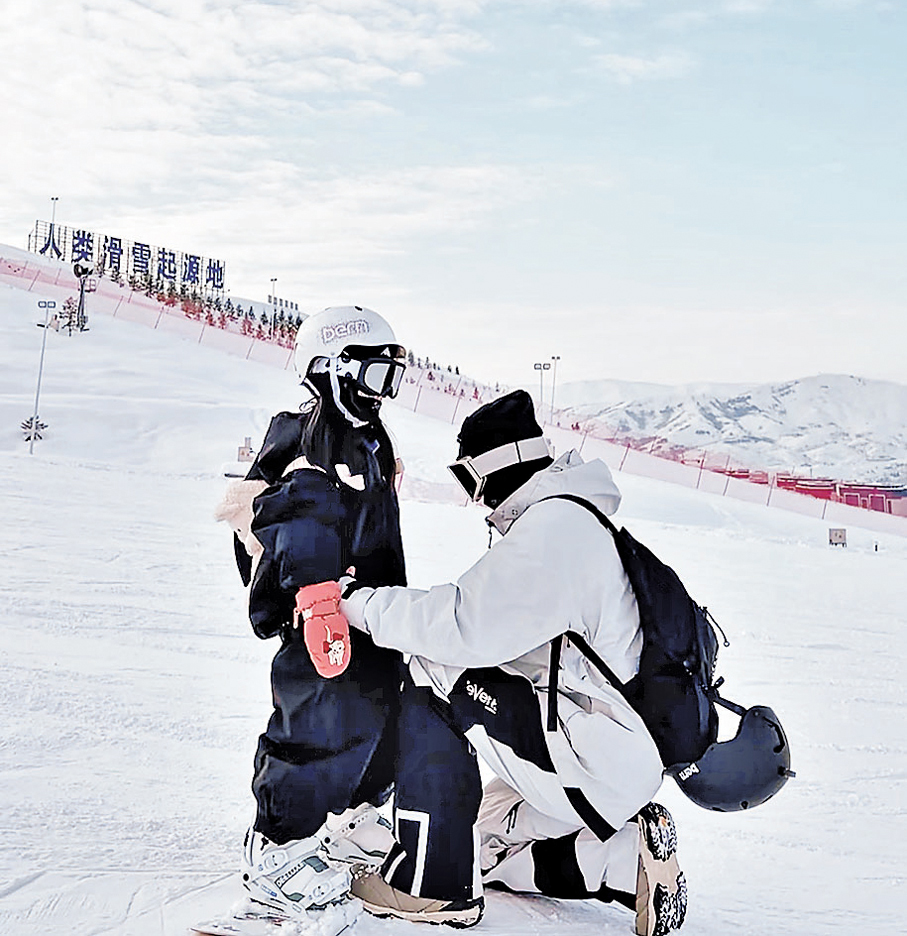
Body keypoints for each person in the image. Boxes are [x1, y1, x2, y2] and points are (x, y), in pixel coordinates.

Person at [338, 389, 687, 936]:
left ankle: (431, 886)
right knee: (479, 837)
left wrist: (354, 603)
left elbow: (460, 626)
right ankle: (619, 860)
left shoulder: (554, 531)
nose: (474, 498)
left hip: (592, 758)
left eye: (467, 478)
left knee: (432, 665)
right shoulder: (576, 521)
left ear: (493, 467)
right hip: (613, 754)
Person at [215, 305, 409, 923]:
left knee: (380, 711)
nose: (384, 393)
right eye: (376, 375)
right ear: (331, 370)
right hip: (318, 615)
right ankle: (277, 848)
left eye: (393, 378)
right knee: (316, 722)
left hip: (369, 608)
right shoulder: (307, 439)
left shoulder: (366, 439)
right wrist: (317, 599)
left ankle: (351, 820)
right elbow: (296, 517)